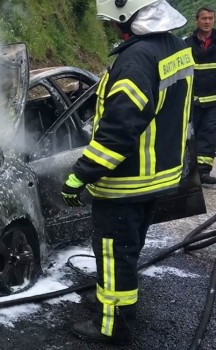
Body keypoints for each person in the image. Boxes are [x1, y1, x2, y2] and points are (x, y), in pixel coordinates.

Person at [60, 0, 193, 345]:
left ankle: (112, 325)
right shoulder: (175, 47)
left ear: (127, 15)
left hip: (125, 183)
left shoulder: (136, 60)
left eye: (113, 24)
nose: (113, 30)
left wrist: (79, 176)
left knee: (113, 254)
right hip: (157, 176)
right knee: (128, 250)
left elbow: (117, 133)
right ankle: (114, 302)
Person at [185, 6, 216, 185]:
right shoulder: (187, 44)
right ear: (197, 20)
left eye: (210, 18)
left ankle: (203, 173)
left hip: (213, 101)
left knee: (209, 135)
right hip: (192, 100)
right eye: (204, 18)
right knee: (188, 136)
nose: (207, 22)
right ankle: (188, 171)